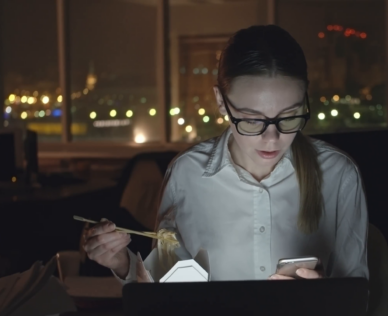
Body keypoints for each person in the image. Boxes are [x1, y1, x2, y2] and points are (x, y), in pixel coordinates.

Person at [83, 25, 369, 282]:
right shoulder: (187, 174)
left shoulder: (338, 174)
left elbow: (358, 295)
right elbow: (164, 289)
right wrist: (121, 263)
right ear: (221, 102)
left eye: (289, 116)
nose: (272, 138)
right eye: (252, 119)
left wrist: (325, 299)